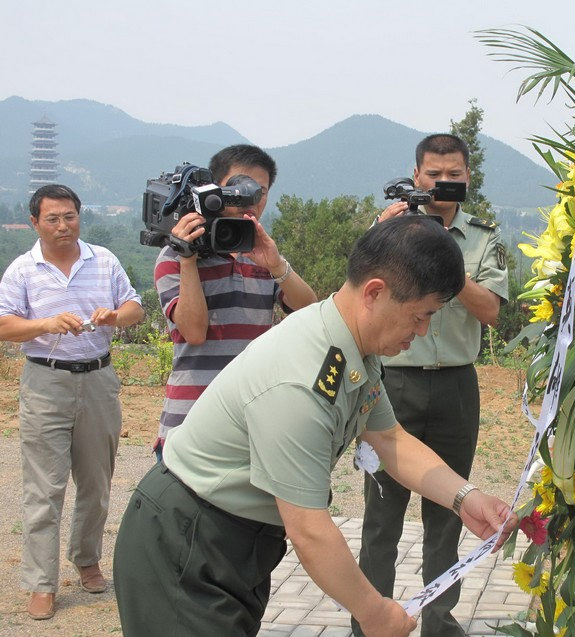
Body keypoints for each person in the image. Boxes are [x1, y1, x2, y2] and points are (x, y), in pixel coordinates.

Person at [113, 215, 517, 637]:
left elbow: (390, 440)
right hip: (186, 542)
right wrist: (373, 611)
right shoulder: (299, 382)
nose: (423, 331)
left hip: (234, 541)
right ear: (375, 292)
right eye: (420, 315)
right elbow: (309, 531)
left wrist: (465, 498)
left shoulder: (352, 345)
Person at [355, 134, 509, 636]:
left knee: (448, 512)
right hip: (391, 387)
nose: (444, 184)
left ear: (468, 178)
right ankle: (369, 622)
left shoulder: (483, 238)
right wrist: (394, 236)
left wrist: (445, 257)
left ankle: (439, 622)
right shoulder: (390, 230)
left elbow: (491, 311)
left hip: (456, 389)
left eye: (455, 176)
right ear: (416, 177)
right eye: (434, 176)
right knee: (382, 518)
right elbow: (360, 295)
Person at [0, 184, 143, 621]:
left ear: (80, 217)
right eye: (53, 218)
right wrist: (44, 323)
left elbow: (135, 306)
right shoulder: (23, 270)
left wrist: (115, 316)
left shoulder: (104, 261)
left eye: (70, 216)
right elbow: (4, 324)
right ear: (35, 223)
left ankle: (87, 561)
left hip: (99, 379)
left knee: (97, 482)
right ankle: (42, 583)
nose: (63, 226)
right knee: (44, 488)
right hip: (46, 382)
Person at [153, 144, 317, 458]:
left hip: (250, 422)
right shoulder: (173, 256)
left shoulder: (264, 255)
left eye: (261, 191)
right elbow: (195, 331)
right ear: (213, 190)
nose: (250, 198)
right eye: (237, 188)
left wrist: (276, 266)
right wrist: (189, 259)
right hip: (189, 422)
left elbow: (309, 311)